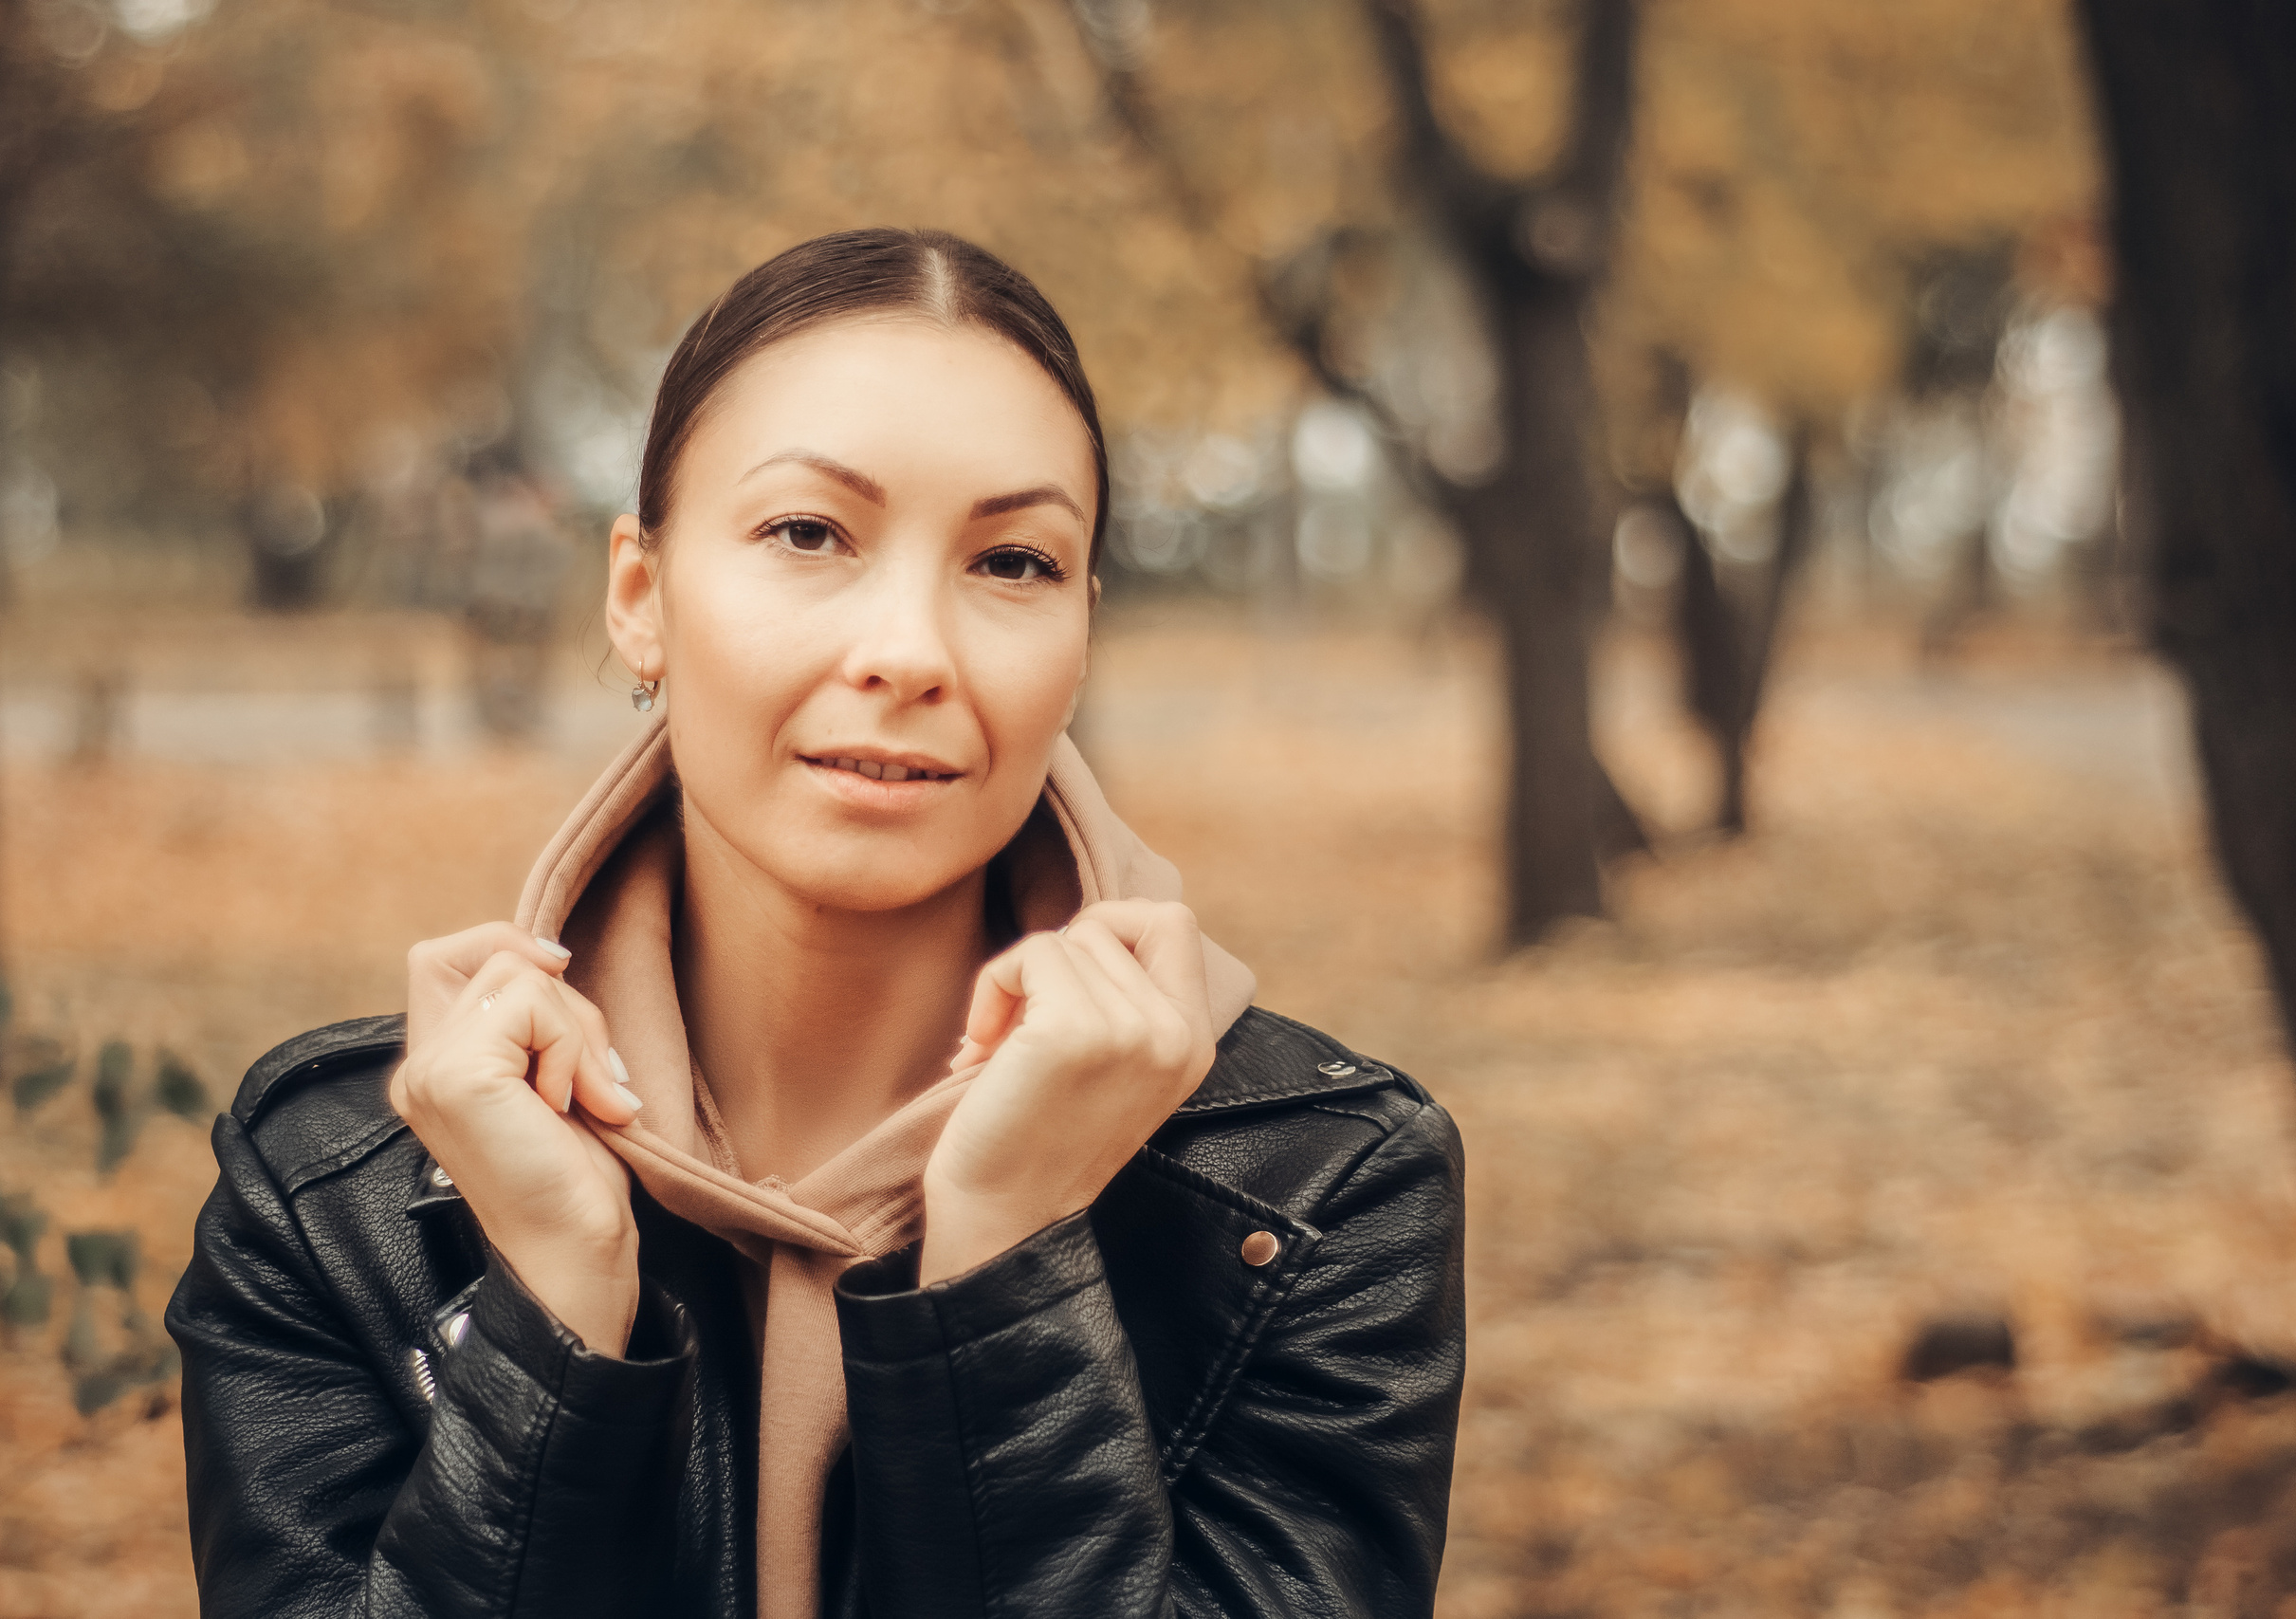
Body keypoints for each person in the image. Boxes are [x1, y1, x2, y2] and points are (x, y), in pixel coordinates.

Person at [167, 228, 1465, 1619]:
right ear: (639, 597)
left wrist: (1007, 1258)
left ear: (1080, 634)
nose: (907, 650)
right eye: (808, 533)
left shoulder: (1317, 1192)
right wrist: (553, 1313)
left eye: (1013, 563)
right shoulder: (335, 1191)